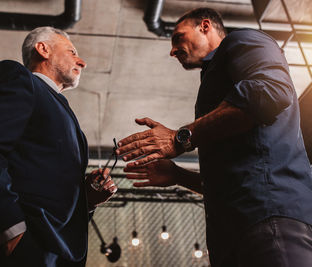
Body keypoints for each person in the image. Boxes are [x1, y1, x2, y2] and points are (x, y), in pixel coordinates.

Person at [116, 8, 312, 267]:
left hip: (269, 216)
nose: (173, 50)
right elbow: (232, 183)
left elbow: (272, 92)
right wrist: (178, 176)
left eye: (178, 38)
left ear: (205, 26)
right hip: (233, 236)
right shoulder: (212, 81)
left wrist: (179, 138)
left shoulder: (242, 40)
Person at [0, 26, 117, 267]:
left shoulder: (74, 125)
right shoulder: (18, 78)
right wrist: (11, 233)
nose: (81, 62)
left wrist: (87, 200)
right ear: (43, 49)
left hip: (57, 254)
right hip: (18, 251)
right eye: (72, 52)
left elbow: (51, 192)